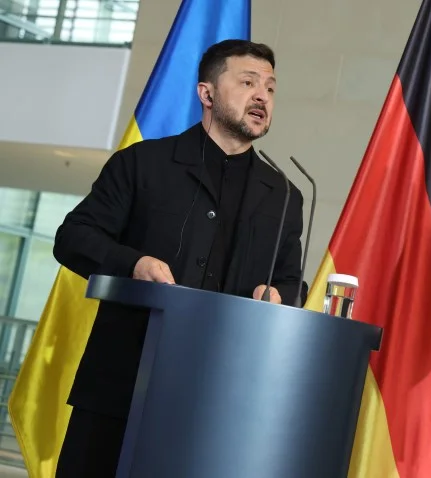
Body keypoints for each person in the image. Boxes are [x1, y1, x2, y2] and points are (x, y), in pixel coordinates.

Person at [53, 39, 307, 477]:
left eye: (270, 86)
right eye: (247, 82)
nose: (262, 95)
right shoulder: (144, 162)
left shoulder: (284, 193)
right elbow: (74, 237)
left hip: (223, 399)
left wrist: (279, 295)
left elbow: (291, 281)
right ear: (206, 94)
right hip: (123, 386)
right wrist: (134, 264)